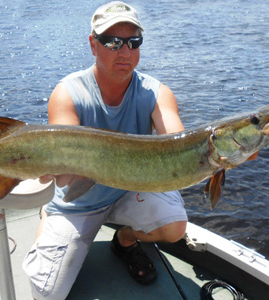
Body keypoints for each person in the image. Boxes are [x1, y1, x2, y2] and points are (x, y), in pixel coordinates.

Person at [22, 2, 188, 299]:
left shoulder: (156, 92)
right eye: (112, 42)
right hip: (79, 201)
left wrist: (220, 156)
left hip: (129, 189)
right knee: (46, 293)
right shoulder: (68, 93)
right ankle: (48, 216)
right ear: (92, 45)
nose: (124, 52)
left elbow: (180, 144)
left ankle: (124, 239)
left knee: (175, 227)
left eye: (133, 42)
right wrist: (52, 168)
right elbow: (62, 161)